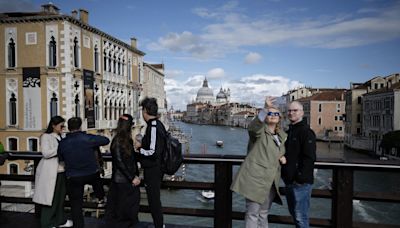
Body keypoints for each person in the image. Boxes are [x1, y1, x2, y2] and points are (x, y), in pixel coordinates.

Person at [231, 97, 287, 228]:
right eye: (269, 113)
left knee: (263, 213)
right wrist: (265, 108)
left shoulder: (281, 136)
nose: (272, 115)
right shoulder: (259, 132)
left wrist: (282, 156)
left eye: (275, 114)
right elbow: (253, 127)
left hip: (271, 180)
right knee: (252, 214)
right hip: (256, 179)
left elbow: (274, 151)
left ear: (280, 118)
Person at [58, 117, 110, 228]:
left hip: (73, 176)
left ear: (69, 127)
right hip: (90, 173)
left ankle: (79, 226)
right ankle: (101, 197)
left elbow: (61, 158)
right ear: (80, 126)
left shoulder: (63, 142)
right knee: (97, 180)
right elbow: (106, 140)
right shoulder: (87, 138)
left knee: (76, 205)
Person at [32, 116, 73, 228]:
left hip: (61, 171)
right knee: (50, 199)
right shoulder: (46, 137)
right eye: (61, 125)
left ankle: (59, 221)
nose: (63, 128)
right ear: (53, 126)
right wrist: (61, 148)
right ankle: (47, 223)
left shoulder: (61, 137)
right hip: (51, 173)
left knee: (60, 198)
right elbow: (45, 153)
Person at [282, 101, 316, 228]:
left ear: (302, 112)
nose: (291, 113)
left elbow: (310, 158)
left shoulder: (306, 132)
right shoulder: (290, 131)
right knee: (295, 215)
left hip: (300, 182)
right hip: (290, 181)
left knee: (300, 217)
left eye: (295, 110)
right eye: (289, 111)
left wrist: (299, 178)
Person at [135, 97, 167, 228]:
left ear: (145, 111)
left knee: (154, 201)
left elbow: (153, 152)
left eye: (142, 110)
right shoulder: (156, 125)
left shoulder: (153, 126)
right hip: (155, 168)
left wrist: (139, 150)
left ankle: (159, 226)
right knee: (154, 200)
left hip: (153, 169)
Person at [105, 114, 141, 227]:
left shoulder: (122, 139)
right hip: (123, 181)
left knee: (126, 208)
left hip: (123, 180)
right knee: (125, 209)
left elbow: (128, 158)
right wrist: (132, 177)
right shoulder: (119, 140)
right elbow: (119, 161)